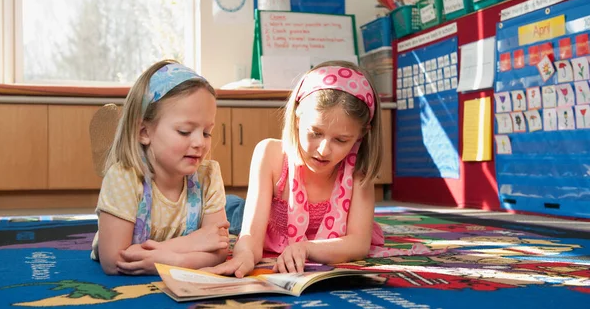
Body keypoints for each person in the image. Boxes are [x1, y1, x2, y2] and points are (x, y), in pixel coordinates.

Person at [207, 60, 393, 278]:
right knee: (231, 210)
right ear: (297, 118)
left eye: (341, 140)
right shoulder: (269, 153)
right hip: (268, 220)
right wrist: (245, 255)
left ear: (361, 134)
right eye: (315, 133)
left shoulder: (359, 170)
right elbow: (251, 235)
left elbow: (358, 244)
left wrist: (306, 248)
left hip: (298, 235)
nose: (323, 150)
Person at [90, 59, 230, 275]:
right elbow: (115, 260)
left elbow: (219, 250)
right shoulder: (123, 177)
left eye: (206, 132)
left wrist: (170, 259)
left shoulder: (208, 176)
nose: (200, 143)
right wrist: (192, 244)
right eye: (184, 131)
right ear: (144, 132)